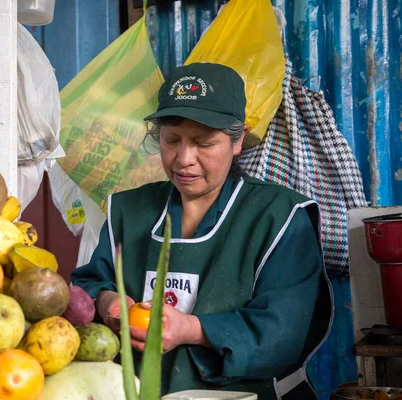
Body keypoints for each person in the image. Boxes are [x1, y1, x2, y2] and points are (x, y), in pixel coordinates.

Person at [70, 62, 333, 399]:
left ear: (237, 141)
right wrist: (108, 303)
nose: (183, 159)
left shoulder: (279, 217)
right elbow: (91, 283)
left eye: (204, 143)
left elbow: (283, 333)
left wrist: (191, 329)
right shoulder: (129, 210)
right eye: (171, 140)